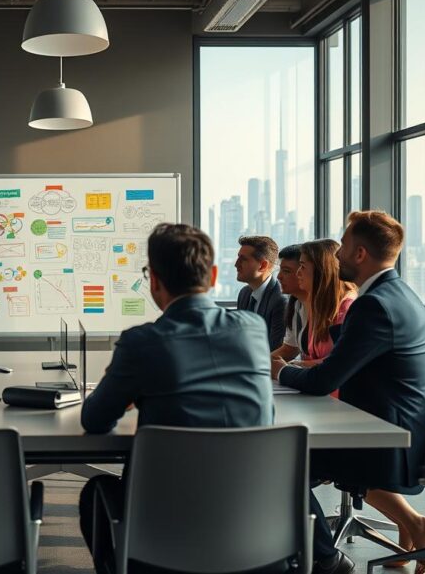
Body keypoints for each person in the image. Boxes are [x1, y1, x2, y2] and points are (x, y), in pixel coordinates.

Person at [80, 223, 274, 573]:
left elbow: (94, 421)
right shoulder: (253, 329)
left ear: (153, 279)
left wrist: (129, 394)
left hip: (164, 531)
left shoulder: (141, 342)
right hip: (254, 525)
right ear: (213, 275)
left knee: (97, 491)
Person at [272, 211, 425, 574]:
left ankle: (325, 560)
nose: (337, 257)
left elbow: (321, 381)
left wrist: (281, 371)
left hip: (388, 436)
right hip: (392, 422)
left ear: (360, 254)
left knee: (281, 464)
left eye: (343, 247)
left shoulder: (372, 305)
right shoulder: (398, 294)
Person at [296, 239, 356, 364]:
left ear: (321, 270)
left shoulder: (347, 308)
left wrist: (292, 366)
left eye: (302, 266)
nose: (298, 273)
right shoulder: (318, 304)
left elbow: (340, 362)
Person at [235, 235, 287, 350]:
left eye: (243, 259)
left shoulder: (280, 301)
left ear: (263, 265)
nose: (236, 264)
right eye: (238, 258)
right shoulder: (244, 294)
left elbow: (275, 349)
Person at [271, 244, 306, 362]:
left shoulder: (337, 308)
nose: (279, 276)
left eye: (286, 271)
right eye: (280, 270)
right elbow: (289, 348)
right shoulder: (297, 305)